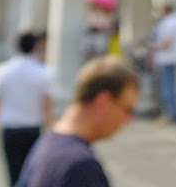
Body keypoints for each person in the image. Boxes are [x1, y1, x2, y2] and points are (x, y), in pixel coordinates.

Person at [16, 56, 140, 187]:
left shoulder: (49, 141)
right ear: (103, 102)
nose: (129, 119)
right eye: (128, 109)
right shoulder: (80, 167)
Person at [0, 31, 54, 186]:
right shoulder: (43, 72)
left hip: (10, 131)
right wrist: (50, 132)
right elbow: (47, 107)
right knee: (32, 174)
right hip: (33, 130)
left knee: (13, 174)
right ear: (36, 46)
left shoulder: (2, 71)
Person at [151, 3, 176, 122]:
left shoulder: (168, 23)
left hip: (165, 58)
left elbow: (166, 43)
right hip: (175, 57)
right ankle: (175, 112)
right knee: (171, 87)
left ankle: (171, 113)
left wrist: (153, 47)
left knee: (166, 88)